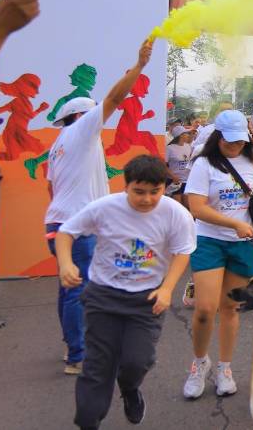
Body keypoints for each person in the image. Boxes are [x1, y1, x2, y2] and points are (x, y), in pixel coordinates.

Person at [55, 156, 195, 429]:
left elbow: (182, 252)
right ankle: (88, 421)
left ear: (163, 187)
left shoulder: (176, 213)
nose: (147, 199)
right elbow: (66, 232)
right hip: (103, 297)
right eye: (139, 192)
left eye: (155, 192)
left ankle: (130, 389)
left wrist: (167, 289)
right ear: (126, 186)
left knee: (136, 362)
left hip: (146, 300)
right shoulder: (105, 207)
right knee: (98, 366)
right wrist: (65, 264)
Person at [45, 38, 154, 375]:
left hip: (58, 224)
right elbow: (114, 98)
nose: (99, 115)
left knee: (69, 288)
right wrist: (139, 67)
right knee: (81, 291)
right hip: (78, 228)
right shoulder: (81, 131)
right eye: (92, 111)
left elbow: (50, 187)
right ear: (80, 115)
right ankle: (79, 356)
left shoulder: (57, 145)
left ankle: (72, 348)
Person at [182, 110, 253, 399]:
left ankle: (225, 368)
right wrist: (234, 224)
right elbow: (197, 208)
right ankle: (199, 363)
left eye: (240, 141)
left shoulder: (252, 161)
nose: (235, 146)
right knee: (204, 309)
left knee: (230, 309)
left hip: (243, 244)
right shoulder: (204, 163)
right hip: (209, 240)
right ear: (218, 137)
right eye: (230, 142)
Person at [166, 125, 194, 207]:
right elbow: (164, 165)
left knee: (188, 206)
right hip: (175, 181)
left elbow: (189, 162)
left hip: (186, 180)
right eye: (186, 133)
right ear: (181, 135)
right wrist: (173, 176)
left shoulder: (188, 146)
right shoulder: (169, 148)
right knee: (178, 206)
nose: (188, 135)